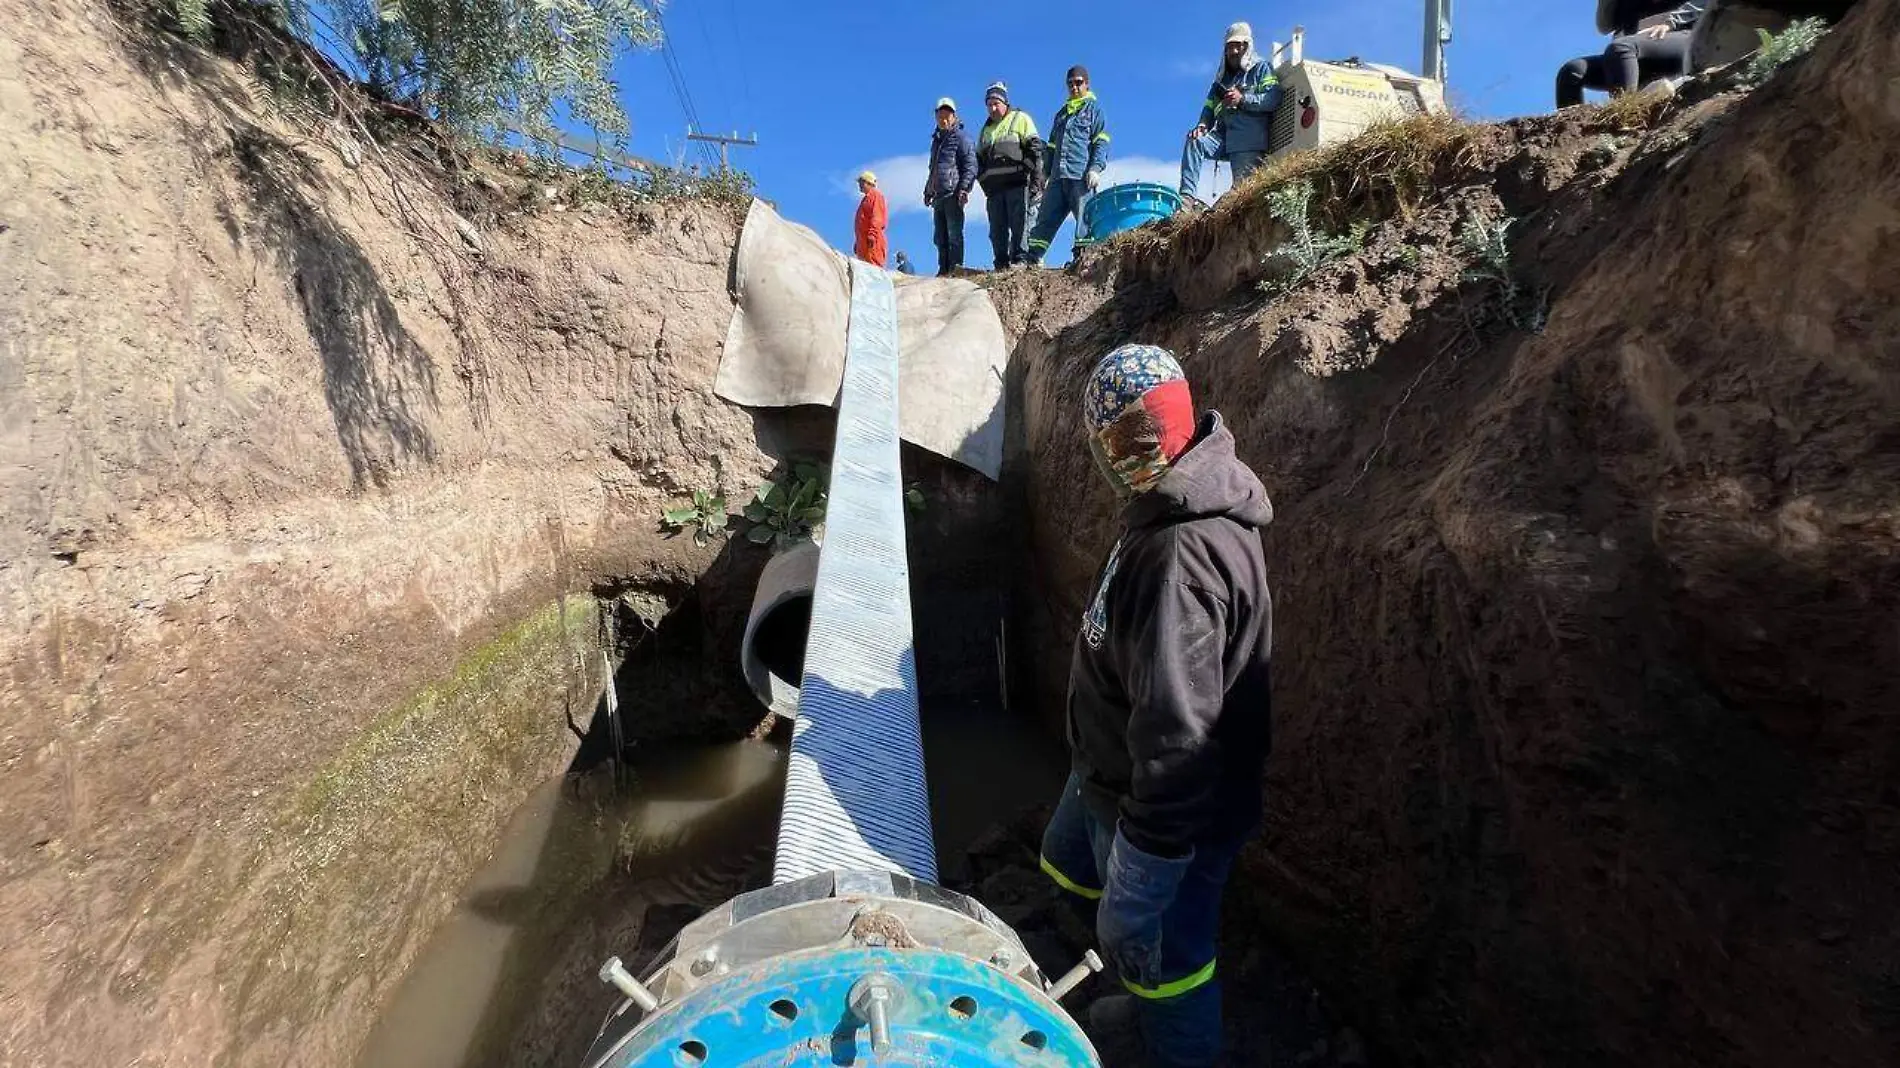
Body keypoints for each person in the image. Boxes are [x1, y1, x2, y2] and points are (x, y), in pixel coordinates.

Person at [1038, 344, 1273, 1068]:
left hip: (1167, 824)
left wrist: (1141, 882)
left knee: (1171, 964)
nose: (1111, 457)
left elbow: (1178, 740)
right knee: (1064, 865)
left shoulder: (1182, 554)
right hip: (1109, 776)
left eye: (1123, 437)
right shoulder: (1165, 498)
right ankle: (1118, 976)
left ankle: (1165, 1030)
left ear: (1158, 431)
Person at [1181, 22, 1282, 202]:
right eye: (1230, 47)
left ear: (1248, 46)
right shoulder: (1220, 80)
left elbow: (1273, 98)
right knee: (1194, 142)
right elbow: (1209, 108)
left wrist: (1242, 99)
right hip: (1222, 137)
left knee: (1240, 194)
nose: (1234, 51)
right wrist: (1203, 125)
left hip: (1248, 140)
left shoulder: (1261, 69)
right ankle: (1186, 200)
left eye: (1239, 46)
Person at [1025, 65, 1110, 267]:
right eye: (1070, 83)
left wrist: (1095, 168)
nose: (1074, 86)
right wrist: (1044, 175)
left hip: (1080, 176)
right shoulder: (1061, 114)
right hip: (1057, 177)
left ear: (1087, 84)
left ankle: (1083, 260)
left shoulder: (1094, 111)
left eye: (1078, 82)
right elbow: (1052, 148)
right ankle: (1033, 258)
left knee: (1084, 219)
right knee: (1045, 219)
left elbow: (1101, 141)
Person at [1556, 1, 1706, 108]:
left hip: (1681, 38)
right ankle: (1570, 137)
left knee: (1621, 47)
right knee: (1571, 71)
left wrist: (1671, 22)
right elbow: (1604, 26)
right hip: (1628, 57)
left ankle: (1625, 115)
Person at [975, 81, 1046, 270]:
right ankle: (1000, 263)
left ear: (1005, 102)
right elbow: (978, 162)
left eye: (996, 103)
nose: (992, 108)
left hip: (1017, 183)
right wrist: (985, 183)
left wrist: (1030, 174)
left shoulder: (1020, 119)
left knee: (1019, 225)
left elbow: (1036, 149)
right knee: (997, 230)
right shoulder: (985, 130)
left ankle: (1020, 259)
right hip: (994, 190)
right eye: (989, 104)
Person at [924, 97, 979, 276]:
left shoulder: (962, 138)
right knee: (940, 237)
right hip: (938, 195)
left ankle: (955, 268)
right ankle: (943, 269)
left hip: (953, 193)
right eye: (940, 116)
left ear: (954, 116)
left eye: (947, 115)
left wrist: (964, 188)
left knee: (954, 234)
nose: (944, 119)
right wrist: (928, 190)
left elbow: (970, 164)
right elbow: (933, 168)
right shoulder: (936, 142)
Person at [852, 170, 888, 267]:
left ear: (868, 183)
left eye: (861, 182)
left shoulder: (876, 196)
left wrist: (872, 234)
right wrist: (858, 241)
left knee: (874, 268)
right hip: (864, 243)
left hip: (872, 243)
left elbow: (877, 217)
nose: (859, 184)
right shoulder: (866, 199)